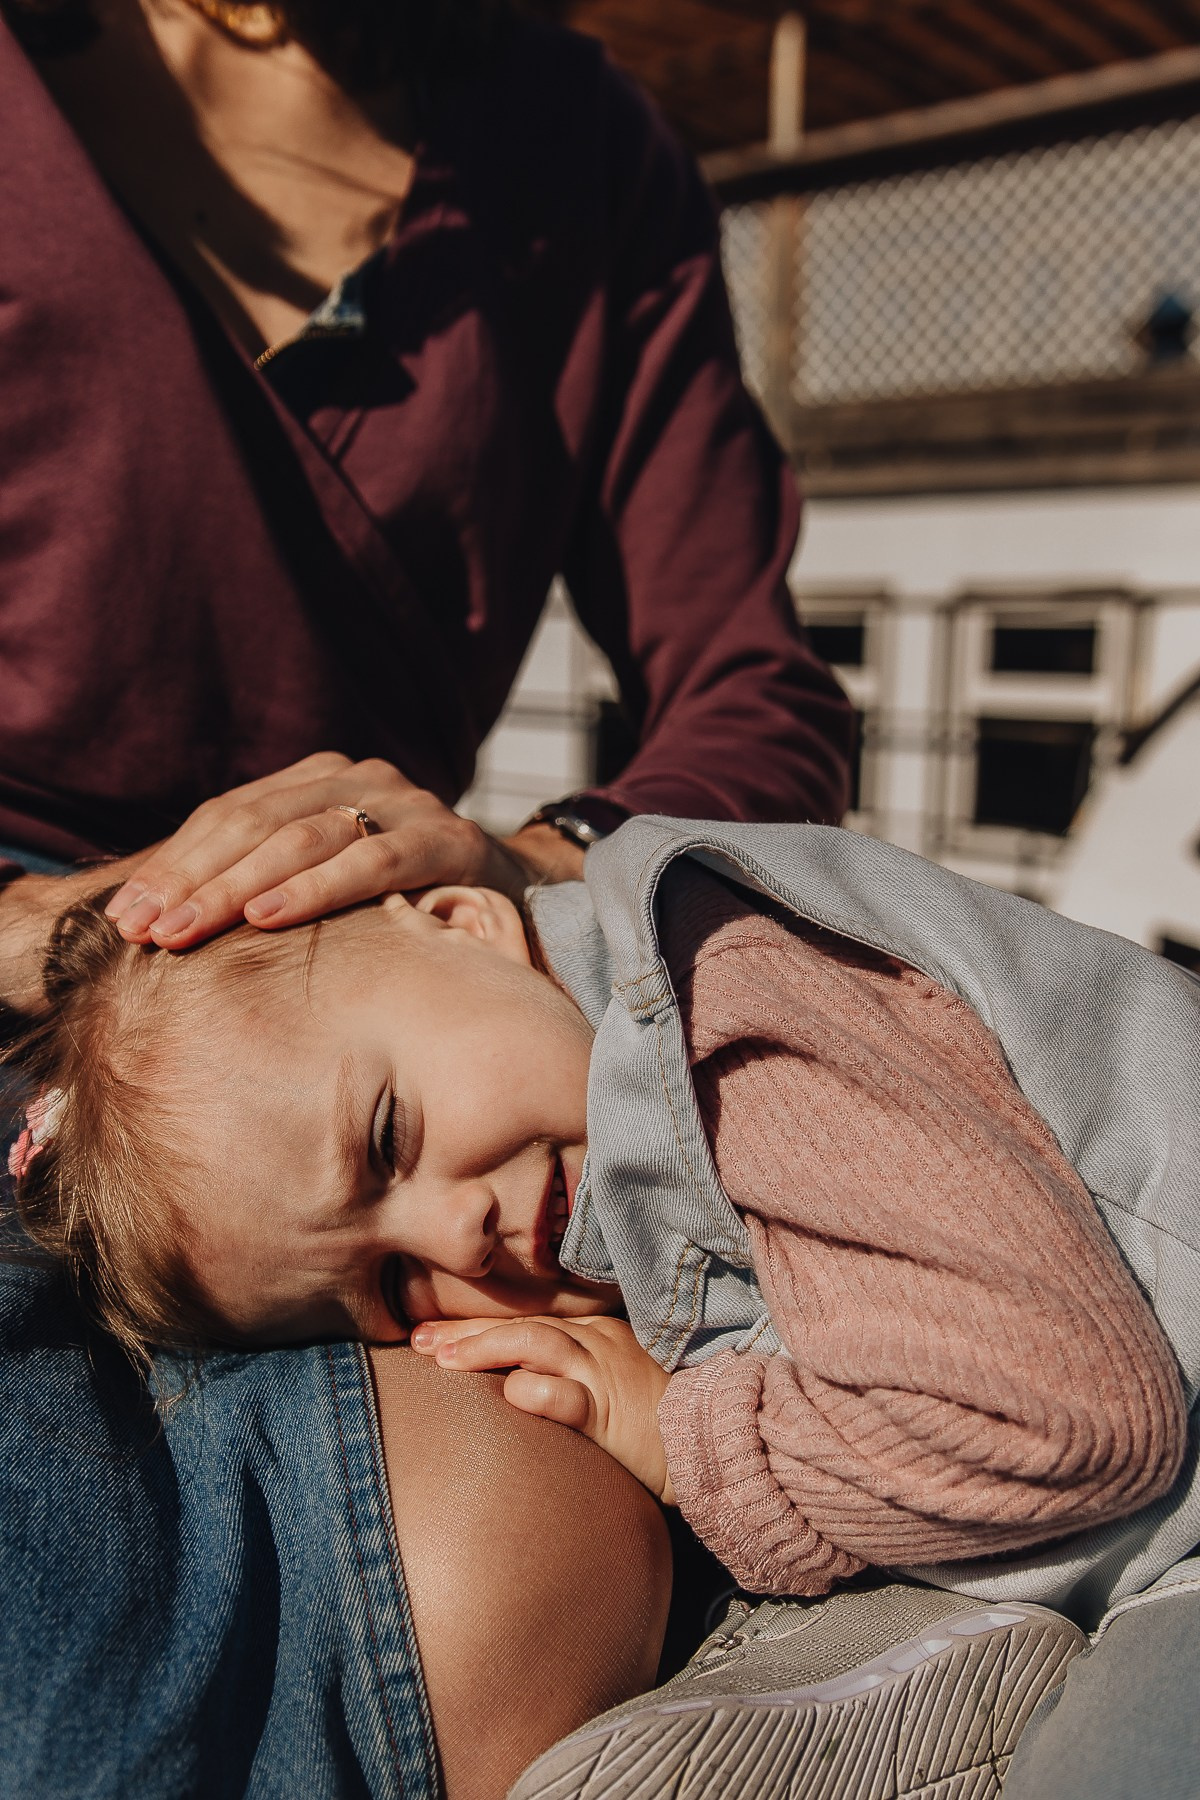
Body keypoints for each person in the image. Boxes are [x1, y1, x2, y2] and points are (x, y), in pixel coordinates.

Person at [0, 1, 853, 1790]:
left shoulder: (572, 144)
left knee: (516, 1578)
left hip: (360, 986)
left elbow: (756, 693)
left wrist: (517, 855)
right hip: (30, 975)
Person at [9, 813, 1199, 1795]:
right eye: (384, 1284)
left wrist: (675, 1438)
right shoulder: (625, 1104)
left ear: (462, 919)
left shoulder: (728, 1010)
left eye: (386, 1139)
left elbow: (1060, 1421)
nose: (448, 1232)